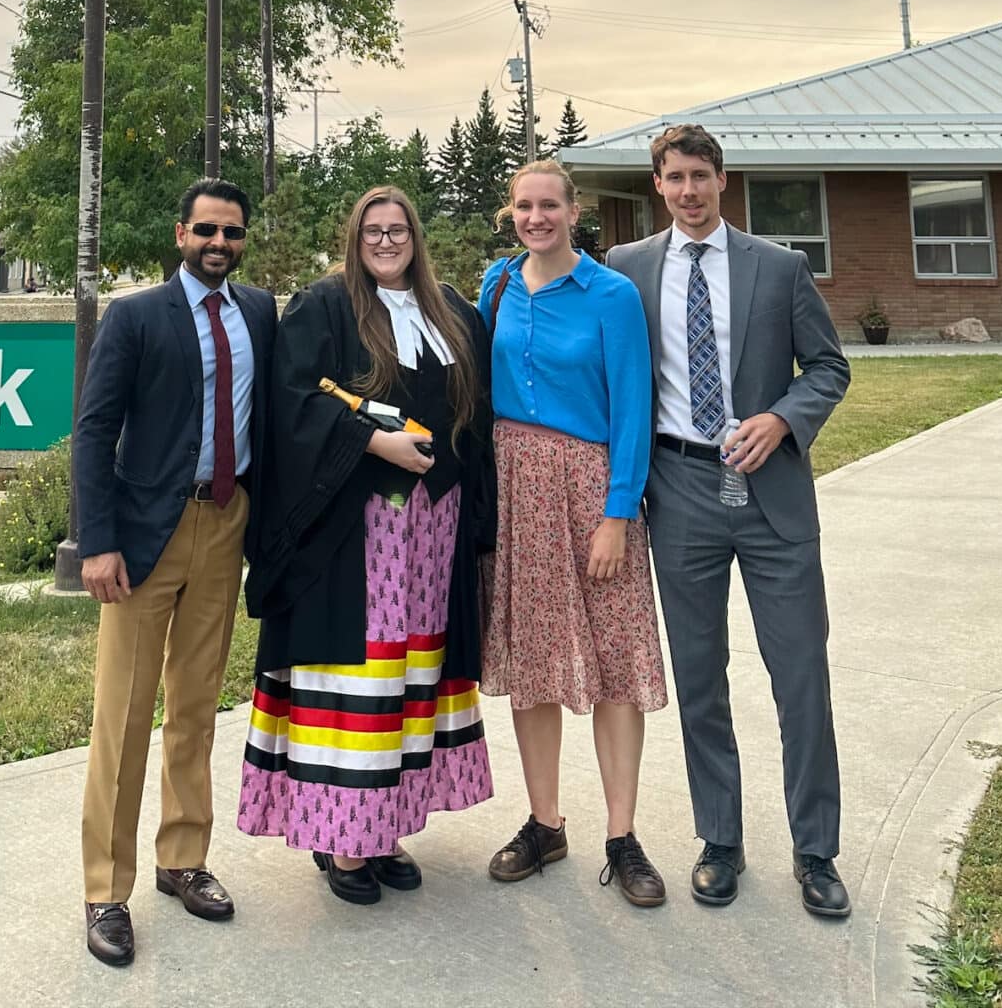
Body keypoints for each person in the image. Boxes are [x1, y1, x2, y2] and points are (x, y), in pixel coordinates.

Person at [608, 124, 851, 919]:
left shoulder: (778, 268)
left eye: (700, 177)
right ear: (657, 186)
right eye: (673, 178)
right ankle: (720, 840)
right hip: (678, 493)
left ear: (722, 179)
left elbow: (827, 367)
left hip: (772, 496)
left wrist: (782, 419)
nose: (688, 191)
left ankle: (815, 852)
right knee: (699, 679)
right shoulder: (628, 269)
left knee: (799, 677)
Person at [238, 186, 495, 904]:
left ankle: (382, 828)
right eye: (372, 232)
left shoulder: (451, 311)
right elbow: (292, 400)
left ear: (416, 236)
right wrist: (372, 440)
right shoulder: (324, 306)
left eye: (398, 230)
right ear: (354, 239)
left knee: (411, 679)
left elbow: (477, 416)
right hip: (358, 533)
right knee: (359, 678)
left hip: (432, 528)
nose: (386, 242)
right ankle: (339, 838)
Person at [74, 179, 277, 968]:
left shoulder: (258, 312)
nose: (218, 242)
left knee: (195, 707)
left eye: (231, 231)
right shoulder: (133, 317)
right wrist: (98, 542)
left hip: (225, 526)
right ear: (179, 232)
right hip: (143, 538)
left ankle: (182, 860)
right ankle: (105, 890)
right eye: (205, 229)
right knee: (123, 719)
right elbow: (93, 433)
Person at [479, 159, 669, 906]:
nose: (536, 217)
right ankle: (544, 821)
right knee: (532, 659)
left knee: (615, 658)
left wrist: (617, 514)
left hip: (592, 489)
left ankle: (621, 836)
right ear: (511, 212)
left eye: (548, 205)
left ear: (573, 210)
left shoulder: (610, 295)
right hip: (514, 487)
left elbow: (631, 409)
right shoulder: (495, 286)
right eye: (524, 206)